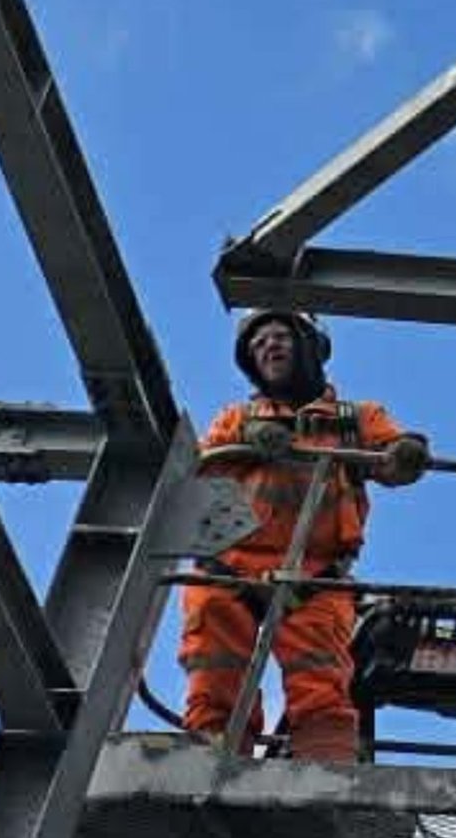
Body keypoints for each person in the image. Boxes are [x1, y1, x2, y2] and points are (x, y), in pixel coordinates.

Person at [181, 308, 428, 763]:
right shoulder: (238, 418)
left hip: (315, 577)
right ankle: (211, 753)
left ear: (309, 345)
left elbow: (397, 457)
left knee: (320, 678)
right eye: (257, 345)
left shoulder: (355, 418)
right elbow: (198, 472)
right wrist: (248, 446)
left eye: (279, 337)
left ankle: (325, 763)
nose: (268, 347)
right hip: (230, 570)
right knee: (214, 659)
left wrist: (406, 454)